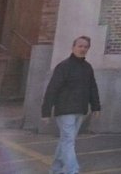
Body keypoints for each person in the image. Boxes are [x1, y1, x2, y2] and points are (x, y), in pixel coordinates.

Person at [41, 35, 100, 174]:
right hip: (65, 110)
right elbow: (52, 89)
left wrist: (96, 107)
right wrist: (46, 112)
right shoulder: (63, 66)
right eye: (80, 46)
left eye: (86, 47)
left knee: (66, 140)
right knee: (69, 141)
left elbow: (92, 87)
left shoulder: (87, 67)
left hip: (80, 110)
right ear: (73, 47)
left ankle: (55, 169)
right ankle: (73, 170)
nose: (83, 49)